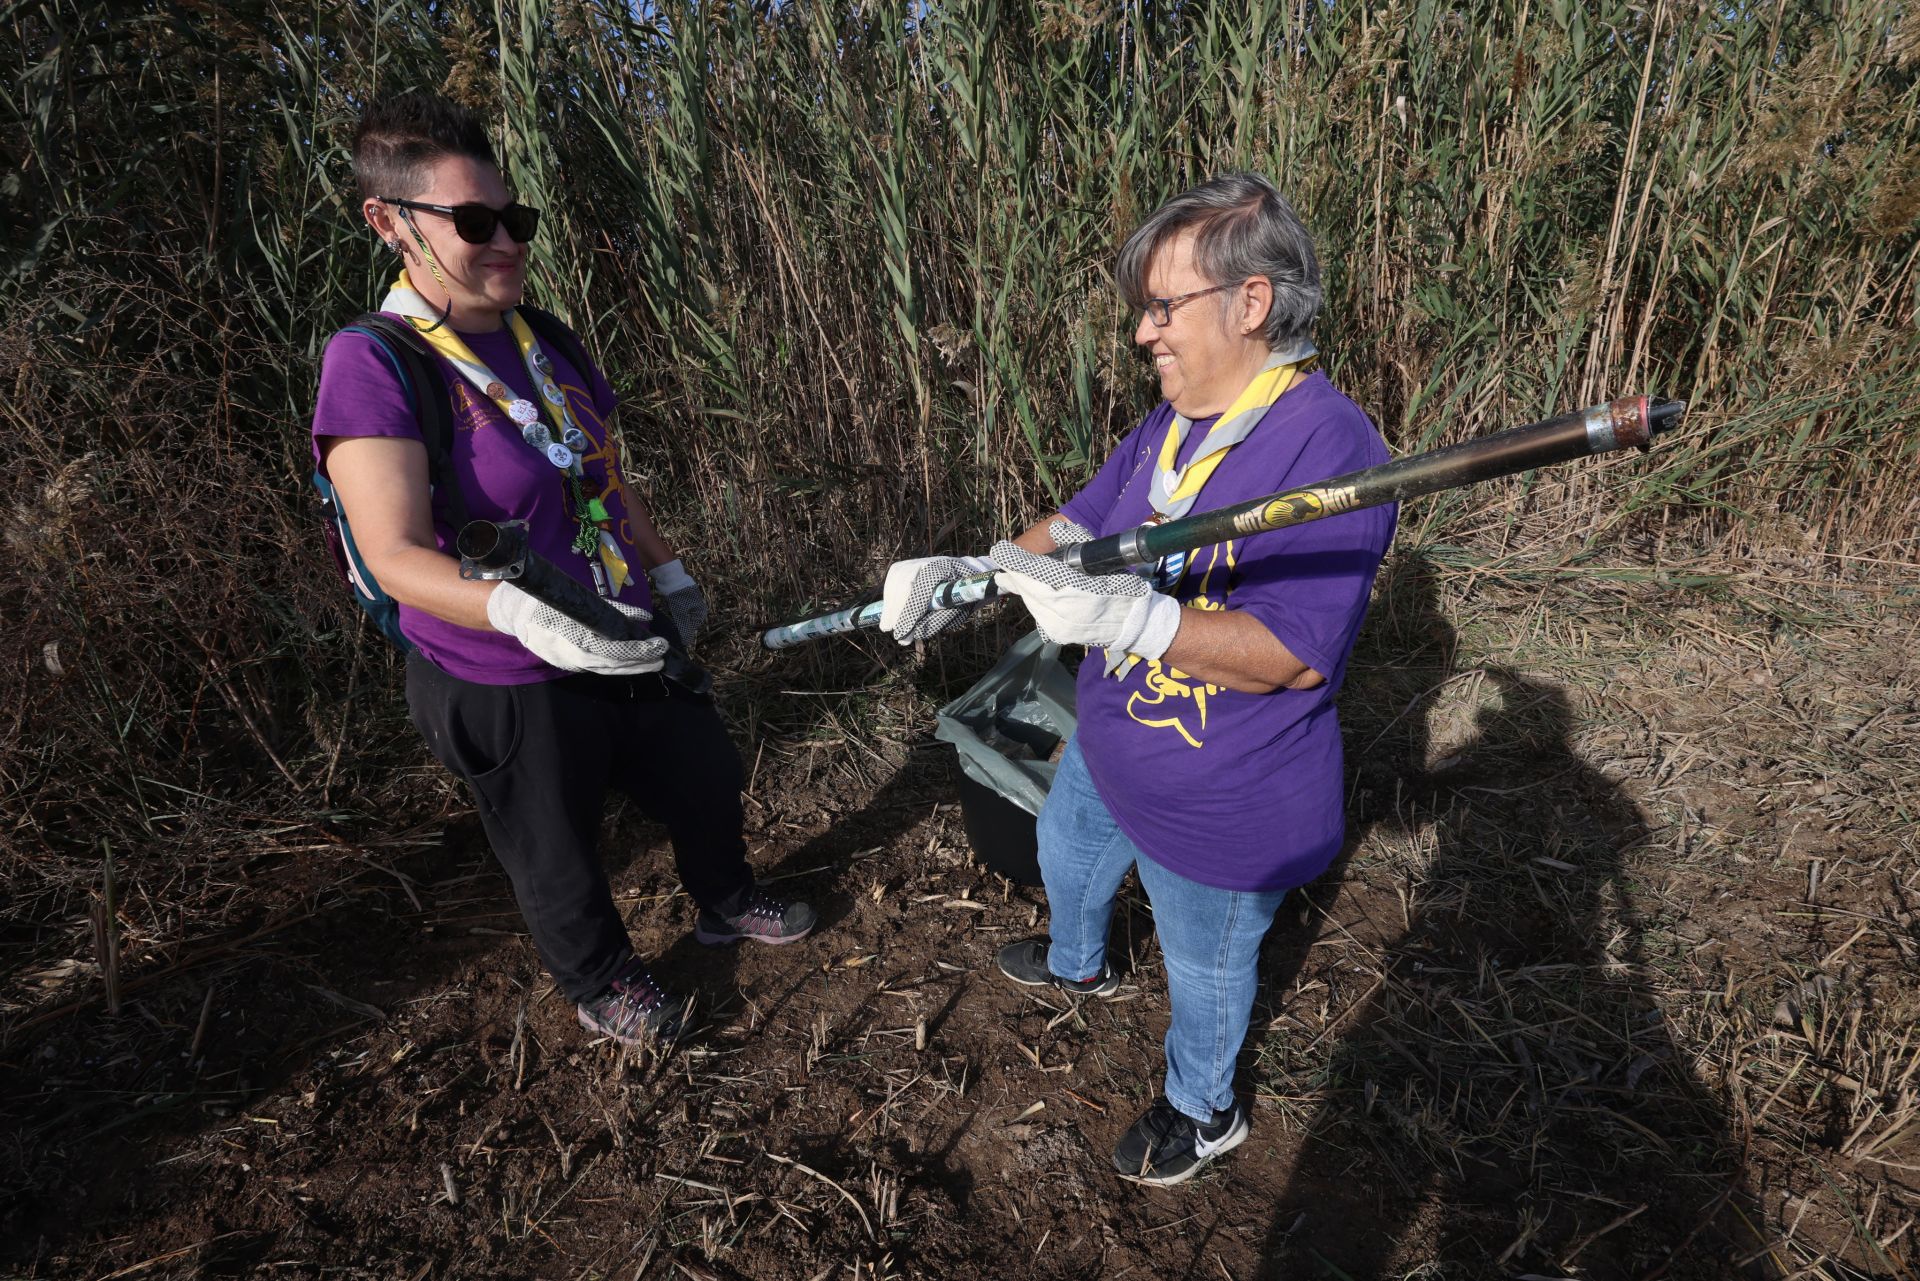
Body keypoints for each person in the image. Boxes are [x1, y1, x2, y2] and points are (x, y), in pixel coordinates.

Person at [881, 174, 1396, 1183]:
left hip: (1225, 798)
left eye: (1164, 307)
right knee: (1064, 854)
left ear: (1252, 302)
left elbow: (1293, 655)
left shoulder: (1333, 450)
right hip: (1113, 745)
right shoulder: (1173, 422)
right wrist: (975, 577)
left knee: (1206, 971)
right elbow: (1077, 527)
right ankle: (1084, 963)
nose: (1141, 334)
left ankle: (1203, 1110)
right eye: (1142, 310)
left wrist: (1138, 615)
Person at [312, 92, 814, 1049]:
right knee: (554, 846)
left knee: (705, 772)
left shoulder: (543, 335)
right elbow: (393, 554)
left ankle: (724, 896)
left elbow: (603, 474)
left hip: (621, 626)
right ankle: (602, 976)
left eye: (514, 218)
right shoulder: (375, 363)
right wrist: (520, 614)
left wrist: (664, 572)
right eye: (472, 222)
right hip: (504, 669)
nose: (504, 240)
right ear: (389, 222)